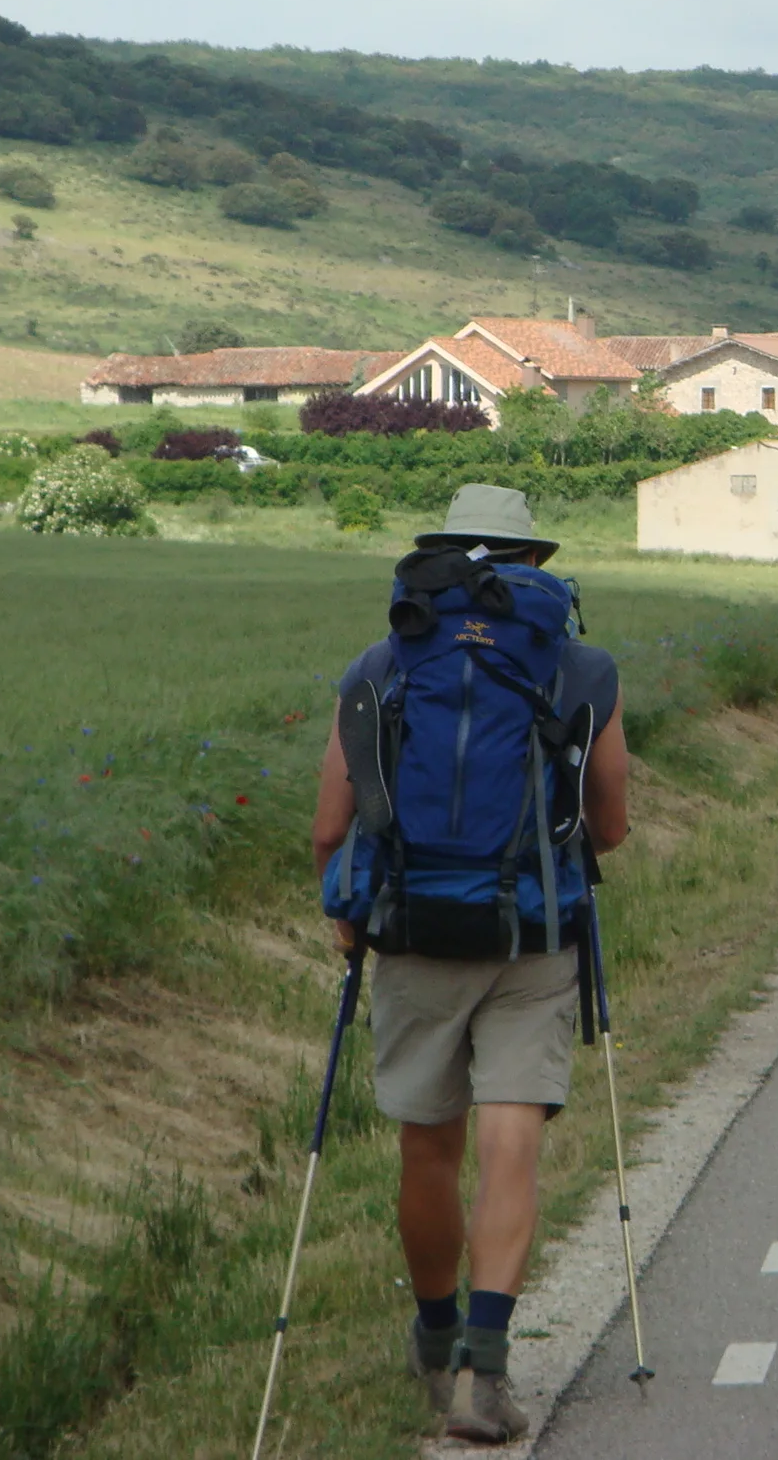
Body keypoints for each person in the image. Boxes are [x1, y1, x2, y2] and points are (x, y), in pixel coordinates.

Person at [309, 484, 629, 1444]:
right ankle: (484, 1377)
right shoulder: (579, 665)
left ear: (444, 557)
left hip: (410, 930)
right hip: (532, 935)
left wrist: (348, 917)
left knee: (427, 1144)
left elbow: (331, 824)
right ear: (532, 561)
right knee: (510, 1142)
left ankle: (437, 1333)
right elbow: (608, 821)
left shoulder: (382, 659)